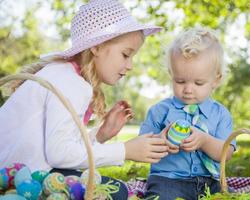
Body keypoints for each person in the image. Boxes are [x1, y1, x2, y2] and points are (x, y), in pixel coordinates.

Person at [0, 0, 169, 198]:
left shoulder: (63, 74)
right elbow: (59, 154)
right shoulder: (72, 83)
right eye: (125, 54)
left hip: (17, 171)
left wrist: (101, 135)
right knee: (117, 191)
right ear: (96, 47)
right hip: (21, 177)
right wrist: (124, 150)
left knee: (105, 186)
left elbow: (58, 143)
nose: (130, 65)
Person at [139, 27, 237, 200]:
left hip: (210, 181)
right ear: (171, 74)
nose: (188, 89)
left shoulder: (221, 114)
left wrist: (205, 141)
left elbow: (226, 153)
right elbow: (141, 147)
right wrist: (162, 142)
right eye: (180, 81)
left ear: (216, 80)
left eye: (198, 83)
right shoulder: (159, 111)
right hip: (168, 180)